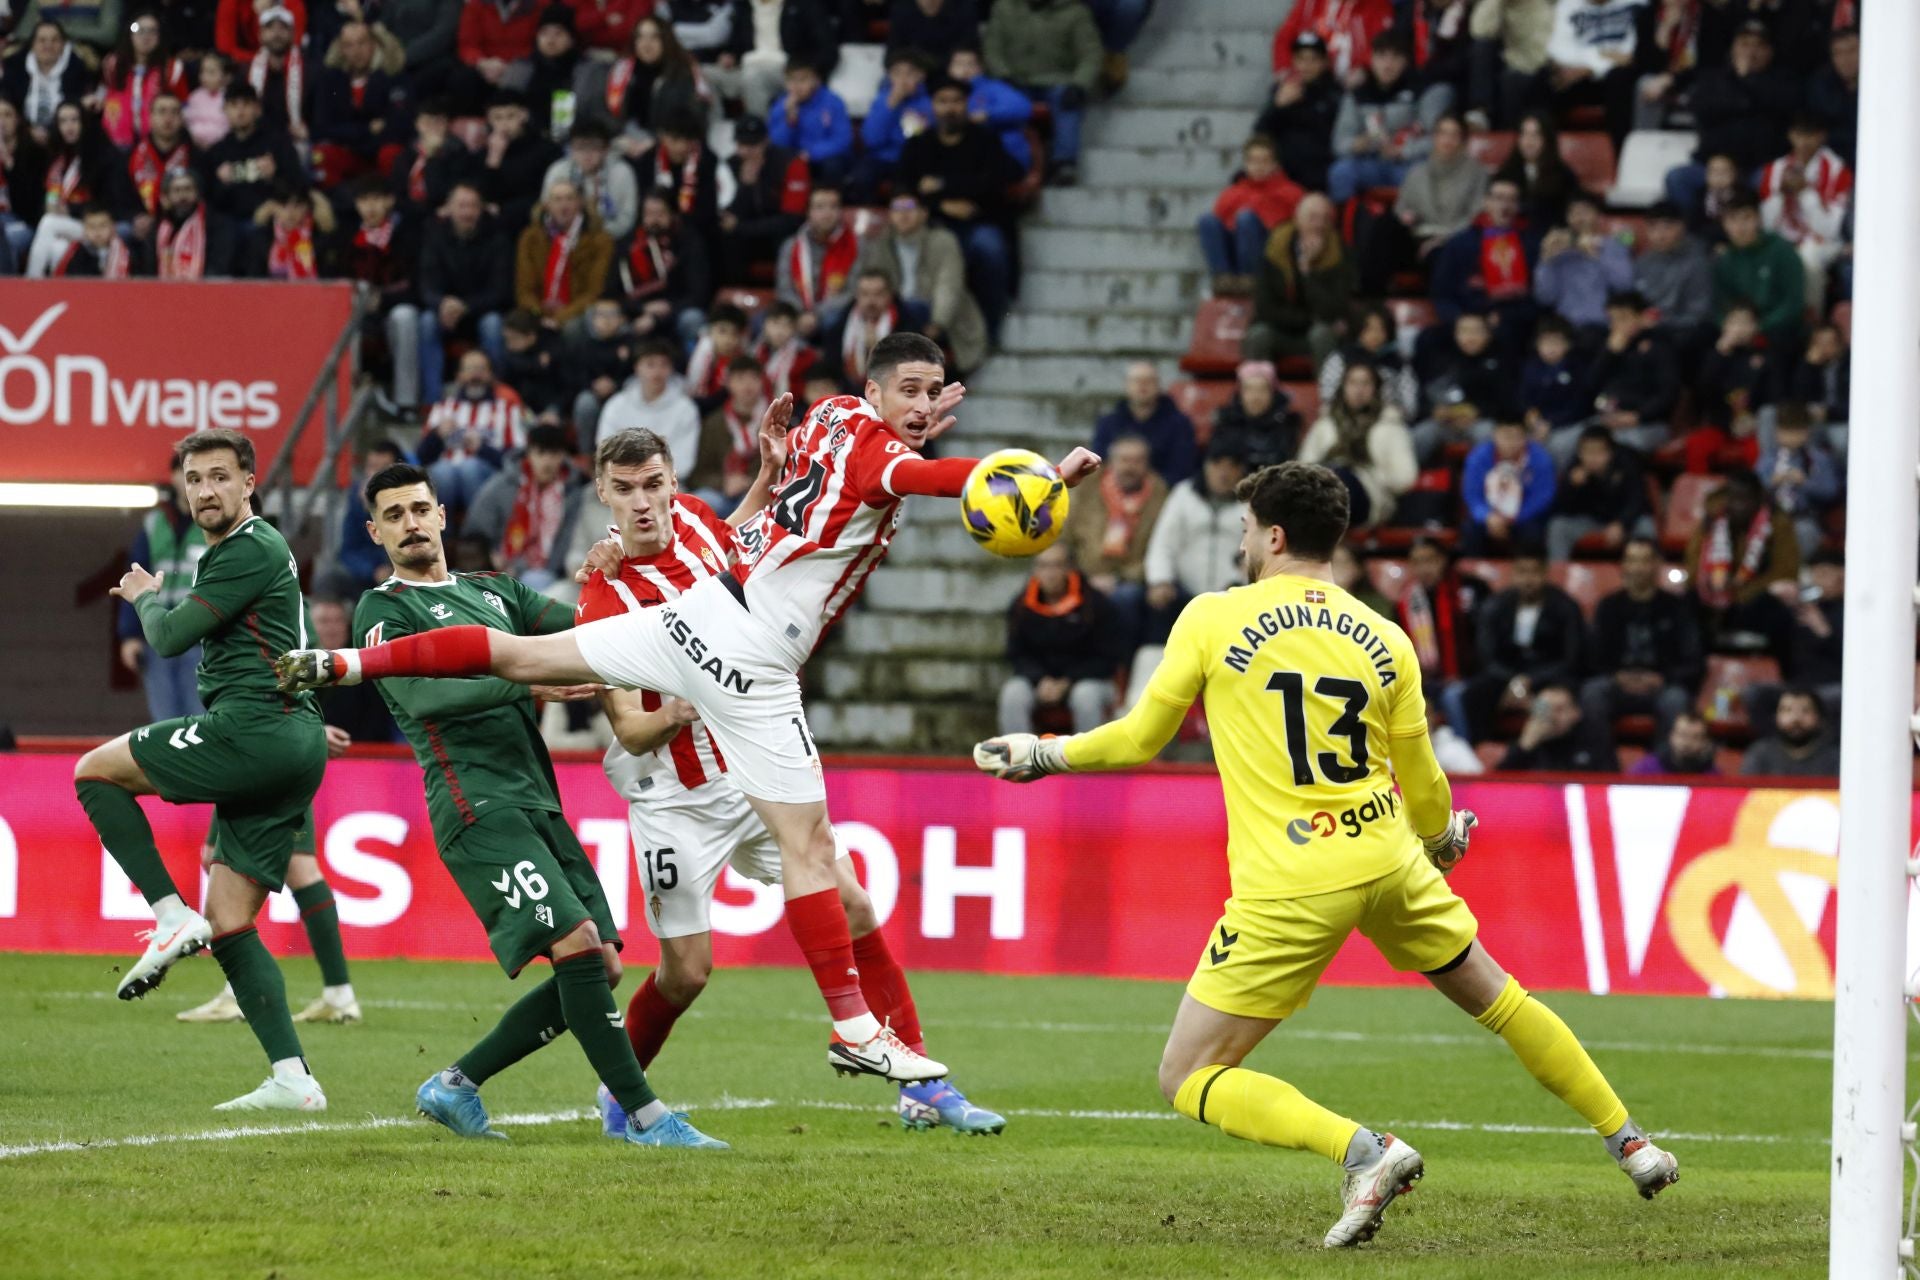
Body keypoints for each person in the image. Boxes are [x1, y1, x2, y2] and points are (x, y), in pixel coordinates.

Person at [275, 332, 1101, 1084]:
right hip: (747, 668)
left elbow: (771, 516)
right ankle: (853, 1025)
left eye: (935, 392)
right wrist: (1030, 478)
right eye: (911, 392)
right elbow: (927, 478)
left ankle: (342, 660)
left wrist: (785, 468)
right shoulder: (862, 464)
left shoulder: (829, 418)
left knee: (521, 653)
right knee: (804, 856)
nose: (924, 406)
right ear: (604, 494)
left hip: (701, 621)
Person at [973, 459, 1678, 1247]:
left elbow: (1139, 738)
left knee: (1186, 1077)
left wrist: (1043, 753)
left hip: (1292, 882)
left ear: (1273, 536)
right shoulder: (1386, 637)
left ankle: (1365, 1152)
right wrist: (1441, 841)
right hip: (1388, 860)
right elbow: (1427, 786)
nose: (1241, 542)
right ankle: (1631, 1143)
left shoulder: (1212, 618)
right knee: (1501, 999)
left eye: (1245, 529)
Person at [581, 424, 1006, 1135]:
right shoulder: (602, 592)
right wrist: (689, 701)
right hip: (674, 800)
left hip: (748, 774)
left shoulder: (694, 524)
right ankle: (622, 1095)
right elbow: (627, 728)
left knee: (857, 907)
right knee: (686, 972)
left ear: (674, 483)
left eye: (654, 484)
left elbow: (734, 546)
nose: (644, 503)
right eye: (625, 490)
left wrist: (766, 477)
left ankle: (923, 1083)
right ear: (603, 494)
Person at [347, 459, 727, 1150]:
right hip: (473, 804)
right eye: (393, 516)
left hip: (537, 804)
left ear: (440, 515)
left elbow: (593, 631)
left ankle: (455, 1085)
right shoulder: (384, 611)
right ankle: (644, 1115)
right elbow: (426, 695)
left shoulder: (496, 593)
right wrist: (528, 683)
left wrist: (611, 574)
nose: (409, 525)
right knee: (579, 947)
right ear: (375, 532)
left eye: (418, 510)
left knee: (604, 966)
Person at [74, 430, 330, 1111]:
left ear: (250, 483)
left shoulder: (250, 545)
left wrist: (143, 595)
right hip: (287, 738)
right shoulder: (244, 550)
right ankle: (292, 1080)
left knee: (94, 772)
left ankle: (165, 916)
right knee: (232, 922)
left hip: (250, 729)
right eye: (195, 479)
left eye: (221, 476)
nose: (206, 490)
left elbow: (165, 639)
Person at [897, 73, 1017, 339]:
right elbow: (906, 190)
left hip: (979, 222)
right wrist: (943, 205)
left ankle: (991, 330)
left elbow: (994, 184)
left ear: (967, 104)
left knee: (990, 248)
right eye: (942, 101)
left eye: (957, 101)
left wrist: (940, 185)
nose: (950, 108)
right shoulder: (919, 144)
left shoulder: (985, 140)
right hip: (932, 225)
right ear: (932, 105)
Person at [1462, 543, 1585, 742]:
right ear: (1513, 573)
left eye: (1534, 572)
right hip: (1505, 676)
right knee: (1474, 693)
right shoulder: (1496, 606)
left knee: (1560, 698)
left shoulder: (1566, 608)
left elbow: (1571, 659)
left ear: (1545, 573)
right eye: (1522, 572)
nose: (1528, 579)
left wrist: (1530, 681)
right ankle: (1481, 751)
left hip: (1548, 677)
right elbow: (1486, 655)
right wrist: (1513, 682)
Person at [1582, 536, 1702, 740]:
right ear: (1624, 565)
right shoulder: (1608, 607)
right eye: (1631, 560)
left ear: (1657, 564)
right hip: (1617, 684)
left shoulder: (1677, 608)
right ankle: (1601, 767)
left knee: (1676, 701)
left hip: (1662, 685)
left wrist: (1663, 678)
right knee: (1592, 693)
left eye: (1644, 560)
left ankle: (1663, 768)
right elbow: (1592, 657)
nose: (1637, 568)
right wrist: (1616, 676)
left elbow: (1694, 661)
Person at [858, 191, 990, 375]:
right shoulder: (882, 244)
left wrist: (938, 322)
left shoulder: (942, 240)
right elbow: (871, 282)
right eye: (897, 209)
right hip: (897, 315)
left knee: (913, 309)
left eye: (910, 208)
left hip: (935, 317)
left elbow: (948, 286)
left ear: (924, 213)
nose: (903, 214)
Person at [117, 461, 209, 724]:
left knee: (200, 717)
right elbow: (135, 576)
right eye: (184, 473)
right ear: (173, 477)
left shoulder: (215, 521)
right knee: (164, 721)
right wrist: (130, 635)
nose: (189, 481)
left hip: (201, 639)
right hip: (157, 636)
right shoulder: (154, 523)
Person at [999, 543, 1120, 735]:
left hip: (1088, 680)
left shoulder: (1095, 604)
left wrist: (1068, 681)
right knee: (1013, 694)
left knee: (1085, 696)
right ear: (1035, 570)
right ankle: (1021, 760)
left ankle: (1088, 761)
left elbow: (1107, 659)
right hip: (1039, 681)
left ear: (1069, 568)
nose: (1050, 573)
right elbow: (1016, 654)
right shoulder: (1021, 606)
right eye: (1043, 566)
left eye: (1057, 565)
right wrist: (1040, 679)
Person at [981, 0, 1102, 185]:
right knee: (1005, 104)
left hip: (1058, 79)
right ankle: (1006, 161)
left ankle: (1064, 162)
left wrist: (1079, 84)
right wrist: (1003, 75)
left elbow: (1091, 54)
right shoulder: (1003, 7)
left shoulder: (1076, 12)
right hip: (1014, 79)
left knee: (1067, 100)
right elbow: (992, 48)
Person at [417, 182, 514, 404]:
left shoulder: (497, 239)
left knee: (493, 324)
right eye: (461, 206)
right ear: (448, 209)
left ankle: (494, 397)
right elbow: (426, 285)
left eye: (472, 206)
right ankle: (432, 401)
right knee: (427, 322)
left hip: (481, 310)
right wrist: (442, 303)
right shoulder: (434, 236)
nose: (467, 212)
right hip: (445, 313)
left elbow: (501, 291)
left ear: (481, 210)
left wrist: (466, 306)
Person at [1326, 31, 1448, 205]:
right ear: (1372, 59)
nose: (1387, 65)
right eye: (1382, 56)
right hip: (1370, 162)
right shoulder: (1358, 94)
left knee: (1420, 176)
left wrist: (1403, 151)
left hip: (1409, 164)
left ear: (1406, 61)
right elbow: (1339, 143)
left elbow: (1438, 139)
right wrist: (1359, 144)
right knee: (1340, 172)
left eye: (1395, 57)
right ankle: (1347, 225)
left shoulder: (1422, 90)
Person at [462, 425, 590, 591]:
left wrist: (530, 568)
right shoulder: (502, 485)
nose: (547, 462)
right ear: (529, 453)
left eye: (554, 454)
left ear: (563, 456)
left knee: (535, 582)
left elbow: (570, 541)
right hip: (497, 567)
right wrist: (489, 557)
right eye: (540, 453)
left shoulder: (575, 492)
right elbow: (475, 530)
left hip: (545, 572)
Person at [1063, 431, 1166, 637]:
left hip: (1131, 580)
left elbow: (1162, 550)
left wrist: (1118, 578)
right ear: (1112, 462)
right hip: (1083, 574)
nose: (1130, 467)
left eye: (1137, 461)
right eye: (1125, 460)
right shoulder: (1087, 489)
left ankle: (1121, 666)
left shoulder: (1160, 496)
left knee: (1125, 599)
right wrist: (1078, 575)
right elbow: (1066, 534)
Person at [1298, 361, 1417, 530]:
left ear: (1376, 388)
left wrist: (1374, 475)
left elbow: (1405, 478)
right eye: (1353, 383)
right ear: (1343, 387)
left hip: (1369, 495)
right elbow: (1304, 465)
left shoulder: (1389, 425)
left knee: (1337, 478)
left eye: (1365, 383)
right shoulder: (1326, 423)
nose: (1358, 390)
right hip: (1324, 486)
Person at [1429, 177, 1538, 358]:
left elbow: (1536, 296)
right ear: (1486, 202)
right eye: (1499, 198)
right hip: (1464, 318)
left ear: (1519, 206)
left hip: (1511, 320)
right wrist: (1461, 320)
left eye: (1512, 200)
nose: (1505, 205)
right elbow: (1441, 292)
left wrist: (1507, 316)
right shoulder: (1460, 243)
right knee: (1428, 339)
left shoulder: (1530, 244)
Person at [1244, 193, 1355, 370]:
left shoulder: (1339, 254)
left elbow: (1334, 309)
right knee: (1258, 335)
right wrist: (1310, 319)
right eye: (1313, 218)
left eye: (1326, 219)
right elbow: (1265, 309)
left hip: (1318, 334)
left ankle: (1328, 396)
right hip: (1282, 331)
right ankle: (1256, 393)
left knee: (1322, 335)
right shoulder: (1274, 251)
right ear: (1297, 219)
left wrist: (1307, 271)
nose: (1319, 225)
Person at [1756, 113, 1851, 315]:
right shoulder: (1775, 169)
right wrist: (1780, 196)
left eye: (1810, 135)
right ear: (1791, 136)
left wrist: (1806, 192)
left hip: (1823, 242)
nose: (1804, 142)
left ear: (1822, 136)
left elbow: (1830, 231)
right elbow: (1767, 226)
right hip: (1782, 239)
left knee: (1808, 259)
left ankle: (1809, 320)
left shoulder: (1838, 171)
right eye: (1799, 135)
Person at [1575, 289, 1678, 466]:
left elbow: (1668, 394)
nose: (1616, 325)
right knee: (1575, 442)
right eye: (1612, 319)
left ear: (1641, 317)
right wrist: (1609, 354)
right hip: (1608, 419)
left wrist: (1637, 416)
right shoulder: (1608, 347)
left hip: (1646, 424)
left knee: (1616, 448)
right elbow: (1589, 386)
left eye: (1623, 318)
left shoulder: (1659, 347)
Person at [418, 350, 527, 511]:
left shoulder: (507, 407)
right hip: (446, 473)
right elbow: (421, 457)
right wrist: (437, 435)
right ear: (459, 376)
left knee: (470, 468)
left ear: (491, 376)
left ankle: (476, 532)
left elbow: (518, 459)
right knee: (442, 471)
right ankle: (441, 533)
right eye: (469, 369)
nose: (475, 375)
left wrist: (483, 449)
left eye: (481, 369)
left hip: (488, 474)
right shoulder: (442, 407)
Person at [1198, 133, 1305, 295]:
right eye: (1253, 161)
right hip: (1235, 253)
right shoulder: (1232, 193)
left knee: (1246, 219)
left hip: (1268, 254)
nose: (1258, 166)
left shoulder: (1291, 193)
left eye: (1264, 161)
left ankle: (1250, 279)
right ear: (1245, 164)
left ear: (1275, 164)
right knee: (1207, 220)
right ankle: (1223, 279)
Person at [1535, 0, 1644, 149]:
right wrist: (1601, 61)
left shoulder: (1635, 4)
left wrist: (1590, 66)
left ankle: (1621, 156)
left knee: (1618, 78)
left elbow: (1632, 55)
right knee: (1544, 80)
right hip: (1579, 79)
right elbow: (1558, 50)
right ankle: (1543, 155)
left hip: (1620, 81)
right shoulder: (1568, 5)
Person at [514, 178, 614, 331]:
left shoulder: (599, 240)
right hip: (538, 312)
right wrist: (538, 315)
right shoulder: (531, 237)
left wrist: (561, 317)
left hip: (576, 311)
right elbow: (525, 288)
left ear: (580, 204)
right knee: (515, 325)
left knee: (572, 328)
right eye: (557, 199)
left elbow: (594, 291)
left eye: (570, 198)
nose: (564, 205)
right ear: (547, 205)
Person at [719, 113, 808, 281]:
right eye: (742, 145)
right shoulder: (730, 165)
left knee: (785, 240)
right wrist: (745, 187)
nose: (747, 151)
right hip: (748, 235)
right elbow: (728, 216)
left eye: (753, 145)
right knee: (726, 240)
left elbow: (792, 219)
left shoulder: (790, 163)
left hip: (777, 233)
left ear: (766, 141)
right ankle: (736, 296)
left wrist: (741, 227)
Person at [1411, 310, 1507, 465]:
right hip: (1444, 423)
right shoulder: (1442, 358)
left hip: (1479, 422)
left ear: (1488, 334)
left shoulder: (1498, 360)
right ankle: (1410, 483)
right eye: (1464, 331)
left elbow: (1506, 403)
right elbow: (1424, 395)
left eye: (1476, 331)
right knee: (1420, 435)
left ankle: (1486, 484)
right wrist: (1433, 410)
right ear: (1455, 333)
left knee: (1486, 434)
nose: (1470, 337)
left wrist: (1478, 411)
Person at [618, 189, 713, 348]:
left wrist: (661, 315)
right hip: (636, 311)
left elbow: (699, 293)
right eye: (648, 214)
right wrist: (642, 308)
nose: (654, 220)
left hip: (676, 311)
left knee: (693, 319)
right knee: (604, 319)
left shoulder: (688, 242)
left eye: (660, 214)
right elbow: (613, 292)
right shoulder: (629, 245)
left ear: (672, 214)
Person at [1534, 193, 1633, 336]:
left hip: (1601, 325)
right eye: (1574, 213)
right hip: (1564, 328)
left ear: (1598, 215)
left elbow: (1624, 286)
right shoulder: (1559, 249)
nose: (1579, 218)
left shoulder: (1613, 245)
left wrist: (1597, 255)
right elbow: (1545, 298)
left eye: (1585, 212)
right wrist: (1546, 261)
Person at [1547, 425, 1650, 562]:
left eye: (1598, 452)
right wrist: (1571, 487)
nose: (1592, 458)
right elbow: (1562, 508)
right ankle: (1558, 576)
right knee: (1558, 527)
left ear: (1611, 452)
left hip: (1625, 521)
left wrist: (1621, 523)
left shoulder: (1627, 462)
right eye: (1587, 452)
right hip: (1591, 522)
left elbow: (1637, 499)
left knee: (1646, 527)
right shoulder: (1575, 467)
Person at [1255, 31, 1343, 193]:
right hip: (1282, 176)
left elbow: (1333, 138)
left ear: (1324, 62)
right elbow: (1260, 133)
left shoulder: (1335, 94)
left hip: (1318, 177)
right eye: (1301, 59)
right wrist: (1277, 106)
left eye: (1313, 59)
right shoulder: (1282, 90)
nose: (1306, 66)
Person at [775, 184, 860, 342]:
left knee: (832, 321)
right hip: (797, 312)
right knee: (766, 321)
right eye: (820, 207)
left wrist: (816, 314)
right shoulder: (791, 245)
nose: (827, 213)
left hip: (835, 313)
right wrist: (801, 313)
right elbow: (784, 288)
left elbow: (853, 292)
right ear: (808, 212)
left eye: (833, 207)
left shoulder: (856, 245)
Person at [598, 338, 702, 468]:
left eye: (664, 365)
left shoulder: (685, 409)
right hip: (622, 481)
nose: (657, 372)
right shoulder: (616, 405)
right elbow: (606, 452)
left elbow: (684, 460)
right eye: (650, 364)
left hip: (667, 483)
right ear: (637, 368)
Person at [1090, 361, 1197, 486]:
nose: (1143, 385)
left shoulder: (1180, 425)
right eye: (1136, 381)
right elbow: (1100, 465)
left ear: (1158, 385)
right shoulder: (1107, 424)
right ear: (1126, 385)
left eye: (1149, 381)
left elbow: (1182, 470)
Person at [1631, 201, 1713, 359]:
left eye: (1667, 227)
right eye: (1653, 228)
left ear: (1681, 227)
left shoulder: (1698, 261)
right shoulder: (1643, 262)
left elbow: (1700, 313)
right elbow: (1638, 303)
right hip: (1651, 327)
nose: (1660, 235)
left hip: (1684, 330)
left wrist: (1661, 323)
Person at [477, 88, 563, 238]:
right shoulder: (483, 154)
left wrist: (505, 210)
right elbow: (483, 195)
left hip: (532, 219)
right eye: (498, 118)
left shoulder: (546, 150)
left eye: (510, 116)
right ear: (489, 120)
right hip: (494, 224)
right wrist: (493, 160)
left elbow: (546, 194)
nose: (504, 124)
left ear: (524, 115)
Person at [1461, 420, 1555, 554]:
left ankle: (1526, 574)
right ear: (1495, 435)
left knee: (1533, 533)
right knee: (1470, 530)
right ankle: (1473, 574)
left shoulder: (1540, 459)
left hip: (1525, 516)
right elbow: (1472, 495)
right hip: (1489, 515)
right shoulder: (1478, 457)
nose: (1510, 443)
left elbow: (1542, 496)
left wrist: (1514, 517)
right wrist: (1488, 516)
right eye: (1506, 437)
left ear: (1525, 438)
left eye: (1516, 437)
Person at [1759, 403, 1841, 557]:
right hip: (1772, 516)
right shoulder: (1769, 458)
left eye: (1795, 431)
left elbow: (1832, 491)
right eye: (1785, 431)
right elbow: (1754, 486)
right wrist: (1771, 482)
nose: (1790, 437)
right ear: (1776, 432)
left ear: (1806, 432)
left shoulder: (1818, 458)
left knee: (1803, 531)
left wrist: (1805, 482)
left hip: (1803, 517)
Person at [541, 117, 639, 243]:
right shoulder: (558, 170)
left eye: (594, 148)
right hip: (561, 237)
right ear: (570, 149)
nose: (587, 155)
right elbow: (545, 209)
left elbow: (626, 218)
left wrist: (594, 237)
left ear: (606, 150)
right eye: (580, 148)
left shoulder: (622, 173)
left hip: (608, 238)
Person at [855, 46, 932, 199]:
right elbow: (871, 139)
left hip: (910, 159)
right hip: (879, 157)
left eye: (910, 73)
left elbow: (914, 139)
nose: (903, 79)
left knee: (906, 184)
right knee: (860, 179)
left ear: (921, 76)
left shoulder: (927, 104)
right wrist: (889, 107)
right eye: (897, 73)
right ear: (889, 76)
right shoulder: (881, 100)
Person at [635, 108, 720, 246]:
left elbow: (707, 211)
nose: (682, 147)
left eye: (688, 140)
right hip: (655, 230)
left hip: (695, 234)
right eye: (675, 139)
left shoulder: (707, 161)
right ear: (662, 136)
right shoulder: (648, 161)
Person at [766, 57, 852, 187]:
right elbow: (776, 144)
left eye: (803, 79)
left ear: (816, 80)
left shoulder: (833, 102)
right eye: (792, 80)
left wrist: (810, 153)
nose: (797, 86)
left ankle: (828, 203)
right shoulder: (780, 105)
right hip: (795, 158)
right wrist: (790, 120)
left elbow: (842, 140)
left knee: (833, 165)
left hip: (823, 157)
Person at [2, 22, 96, 141]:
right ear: (32, 45)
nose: (48, 45)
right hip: (22, 137)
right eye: (42, 40)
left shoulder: (78, 70)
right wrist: (27, 130)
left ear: (63, 45)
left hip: (63, 138)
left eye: (54, 40)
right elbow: (8, 103)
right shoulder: (15, 68)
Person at [1499, 681, 1618, 772]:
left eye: (1558, 709)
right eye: (1543, 709)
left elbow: (1609, 779)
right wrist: (1524, 745)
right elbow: (1498, 785)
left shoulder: (1594, 739)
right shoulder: (1528, 742)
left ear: (1576, 712)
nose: (1550, 716)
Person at [149, 166, 238, 279]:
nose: (182, 196)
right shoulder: (158, 229)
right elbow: (149, 272)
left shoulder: (217, 225)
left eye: (188, 189)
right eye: (176, 190)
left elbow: (219, 268)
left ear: (198, 194)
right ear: (166, 198)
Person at [1211, 360, 1300, 469]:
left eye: (1262, 389)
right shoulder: (1226, 421)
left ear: (1272, 393)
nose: (1255, 397)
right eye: (1249, 389)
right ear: (1240, 393)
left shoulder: (1288, 423)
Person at [1518, 315, 1590, 445]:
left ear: (1568, 344)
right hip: (1538, 422)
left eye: (1556, 342)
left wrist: (1551, 423)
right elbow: (1524, 396)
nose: (1550, 348)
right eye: (1545, 342)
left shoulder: (1576, 367)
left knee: (1558, 445)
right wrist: (1529, 412)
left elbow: (1579, 405)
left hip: (1569, 423)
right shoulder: (1530, 367)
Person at [1739, 687, 1838, 777]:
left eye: (1805, 711)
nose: (1796, 718)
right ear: (1776, 717)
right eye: (1787, 710)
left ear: (1819, 718)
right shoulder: (1760, 754)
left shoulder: (1835, 758)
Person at [1628, 711, 1719, 777]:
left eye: (1695, 737)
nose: (1687, 743)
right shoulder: (1646, 769)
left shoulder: (1713, 776)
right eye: (1682, 735)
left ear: (1705, 742)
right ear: (1671, 736)